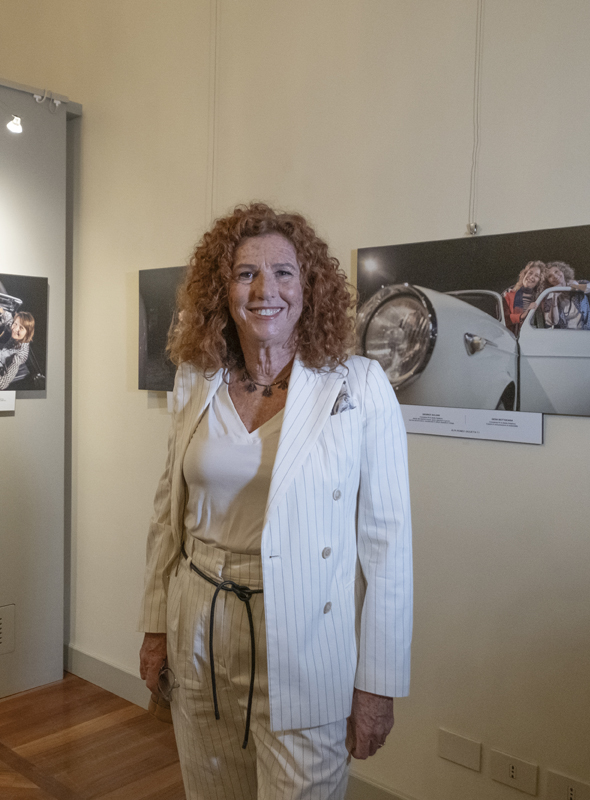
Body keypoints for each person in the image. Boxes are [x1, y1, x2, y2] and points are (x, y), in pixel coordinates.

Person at [138, 203, 412, 800]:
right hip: (198, 627)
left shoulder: (360, 386)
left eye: (284, 272)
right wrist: (155, 627)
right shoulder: (195, 377)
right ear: (222, 290)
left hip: (303, 638)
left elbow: (388, 550)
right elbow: (168, 514)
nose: (266, 290)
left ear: (309, 287)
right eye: (245, 274)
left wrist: (378, 684)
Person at [536, 261, 590, 330]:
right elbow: (553, 322)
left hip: (587, 333)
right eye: (550, 276)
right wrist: (554, 297)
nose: (555, 276)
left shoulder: (578, 283)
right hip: (567, 336)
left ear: (562, 271)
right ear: (548, 282)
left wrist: (576, 287)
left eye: (556, 271)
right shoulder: (550, 295)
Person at [501, 260, 545, 332]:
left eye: (536, 276)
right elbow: (504, 319)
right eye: (530, 273)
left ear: (539, 281)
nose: (531, 277)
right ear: (524, 275)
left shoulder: (540, 299)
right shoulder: (508, 296)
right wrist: (523, 315)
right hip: (513, 337)